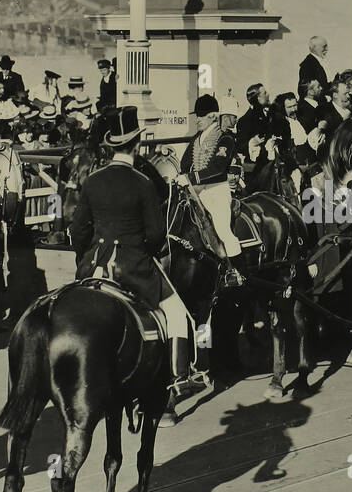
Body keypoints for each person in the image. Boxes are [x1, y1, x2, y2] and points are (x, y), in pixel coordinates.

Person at [72, 105, 200, 396]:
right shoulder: (143, 183)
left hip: (95, 265)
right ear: (137, 144)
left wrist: (87, 258)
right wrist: (148, 249)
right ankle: (178, 379)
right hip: (133, 266)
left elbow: (78, 231)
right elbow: (155, 235)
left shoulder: (92, 181)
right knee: (178, 313)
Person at [178, 94, 244, 286]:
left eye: (202, 115)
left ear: (214, 116)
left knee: (223, 231)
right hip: (197, 192)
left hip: (217, 191)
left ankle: (239, 272)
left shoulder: (225, 139)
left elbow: (217, 168)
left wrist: (191, 177)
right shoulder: (197, 139)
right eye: (197, 115)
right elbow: (185, 163)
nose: (197, 118)